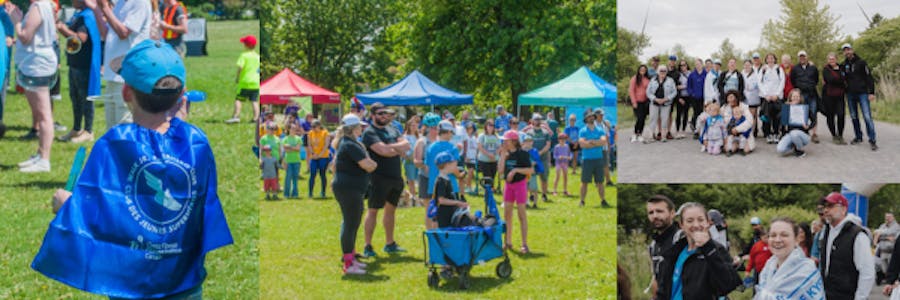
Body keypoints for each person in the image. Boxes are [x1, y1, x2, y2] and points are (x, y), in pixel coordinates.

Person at [35, 40, 232, 298]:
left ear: (126, 92)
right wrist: (179, 125)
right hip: (183, 281)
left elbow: (98, 213)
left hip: (128, 283)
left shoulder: (114, 144)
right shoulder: (196, 143)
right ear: (182, 93)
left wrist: (66, 205)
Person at [655, 202, 742, 300]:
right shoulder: (674, 252)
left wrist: (708, 247)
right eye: (690, 221)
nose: (696, 225)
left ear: (708, 223)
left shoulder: (716, 250)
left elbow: (729, 284)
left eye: (701, 220)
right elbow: (663, 291)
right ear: (681, 225)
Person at [87, 0, 152, 130]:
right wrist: (96, 9)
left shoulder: (140, 2)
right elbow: (107, 34)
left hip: (127, 76)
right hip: (113, 74)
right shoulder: (121, 3)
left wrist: (105, 7)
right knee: (112, 128)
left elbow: (123, 33)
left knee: (125, 127)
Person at [12, 0, 57, 172]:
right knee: (39, 114)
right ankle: (40, 154)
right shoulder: (41, 6)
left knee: (44, 115)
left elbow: (24, 37)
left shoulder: (39, 6)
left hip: (38, 65)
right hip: (35, 63)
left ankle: (44, 160)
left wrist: (16, 21)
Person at [361, 102, 410, 258]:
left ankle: (390, 243)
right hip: (378, 178)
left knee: (391, 211)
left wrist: (391, 147)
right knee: (373, 211)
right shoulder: (369, 132)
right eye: (380, 114)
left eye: (386, 113)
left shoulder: (393, 128)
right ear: (373, 115)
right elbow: (383, 151)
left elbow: (407, 145)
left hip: (396, 176)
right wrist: (396, 148)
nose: (384, 116)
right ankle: (367, 246)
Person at [332, 114, 376, 275]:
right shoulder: (350, 145)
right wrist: (373, 163)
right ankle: (349, 264)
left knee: (350, 223)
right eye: (359, 126)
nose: (361, 129)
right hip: (350, 189)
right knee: (351, 224)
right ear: (353, 128)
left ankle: (351, 259)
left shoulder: (349, 143)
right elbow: (368, 165)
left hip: (350, 188)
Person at [56, 0, 101, 144]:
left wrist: (62, 28)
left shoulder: (87, 16)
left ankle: (88, 131)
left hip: (84, 65)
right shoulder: (79, 14)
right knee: (75, 97)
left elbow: (80, 39)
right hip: (75, 63)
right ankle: (76, 128)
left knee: (85, 98)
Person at [819, 192, 875, 299]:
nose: (826, 210)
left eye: (831, 206)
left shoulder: (857, 235)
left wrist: (860, 297)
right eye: (825, 207)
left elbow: (867, 272)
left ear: (843, 209)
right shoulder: (826, 231)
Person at [755, 217, 825, 299]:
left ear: (796, 240)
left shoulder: (807, 270)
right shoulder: (768, 266)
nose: (777, 240)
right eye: (773, 235)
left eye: (784, 235)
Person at [497, 130, 533, 253]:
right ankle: (507, 241)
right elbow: (501, 171)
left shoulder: (522, 154)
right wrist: (502, 155)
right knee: (507, 214)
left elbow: (530, 170)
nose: (503, 142)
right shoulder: (506, 154)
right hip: (508, 185)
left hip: (520, 185)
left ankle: (524, 244)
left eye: (505, 140)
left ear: (513, 141)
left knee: (521, 214)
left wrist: (516, 170)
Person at [841, 43, 878, 151]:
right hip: (850, 94)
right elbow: (841, 77)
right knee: (854, 116)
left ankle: (872, 139)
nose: (847, 52)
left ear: (852, 50)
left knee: (867, 116)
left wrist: (871, 92)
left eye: (848, 49)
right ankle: (858, 137)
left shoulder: (861, 62)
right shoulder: (844, 65)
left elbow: (869, 78)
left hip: (862, 93)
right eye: (845, 50)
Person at [646, 195, 680, 297]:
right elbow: (656, 278)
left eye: (659, 211)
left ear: (672, 213)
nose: (655, 216)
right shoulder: (653, 245)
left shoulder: (681, 238)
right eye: (651, 212)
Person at [225, 35, 260, 124]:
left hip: (245, 82)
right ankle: (256, 118)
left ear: (246, 45)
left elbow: (240, 67)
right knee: (254, 101)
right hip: (256, 83)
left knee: (239, 99)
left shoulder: (244, 55)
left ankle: (236, 116)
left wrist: (237, 77)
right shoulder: (257, 56)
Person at [433, 152, 473, 228]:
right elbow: (441, 200)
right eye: (454, 164)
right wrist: (457, 203)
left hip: (449, 213)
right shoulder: (441, 181)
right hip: (444, 216)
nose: (455, 166)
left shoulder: (447, 179)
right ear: (447, 165)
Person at [414, 113, 441, 228]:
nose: (438, 130)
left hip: (440, 178)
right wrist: (425, 166)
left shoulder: (441, 141)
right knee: (429, 208)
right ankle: (431, 234)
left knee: (440, 207)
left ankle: (439, 232)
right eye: (435, 127)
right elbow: (416, 161)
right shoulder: (422, 142)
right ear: (429, 128)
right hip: (426, 178)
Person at [578, 110, 609, 208]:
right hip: (587, 159)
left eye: (592, 116)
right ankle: (582, 201)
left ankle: (603, 200)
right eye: (589, 116)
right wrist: (596, 143)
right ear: (586, 119)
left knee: (600, 181)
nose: (591, 118)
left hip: (598, 159)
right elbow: (582, 144)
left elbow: (604, 142)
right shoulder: (582, 131)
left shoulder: (600, 129)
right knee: (584, 182)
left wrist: (591, 142)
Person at [791, 50, 820, 144]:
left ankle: (814, 134)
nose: (802, 58)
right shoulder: (795, 68)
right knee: (802, 114)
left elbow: (816, 79)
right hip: (801, 95)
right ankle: (804, 131)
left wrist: (810, 86)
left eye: (803, 56)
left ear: (807, 57)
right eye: (800, 57)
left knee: (813, 113)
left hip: (812, 94)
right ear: (798, 58)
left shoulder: (813, 68)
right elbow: (793, 80)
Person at [524, 113, 551, 202]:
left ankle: (544, 194)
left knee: (544, 177)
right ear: (532, 121)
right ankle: (531, 195)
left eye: (539, 119)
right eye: (536, 119)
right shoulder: (529, 133)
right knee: (530, 177)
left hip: (543, 158)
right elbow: (525, 144)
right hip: (531, 159)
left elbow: (548, 145)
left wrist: (540, 152)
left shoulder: (545, 132)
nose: (538, 121)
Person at [759, 53, 785, 144]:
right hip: (766, 98)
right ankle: (768, 134)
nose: (770, 59)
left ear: (775, 59)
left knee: (777, 117)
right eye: (768, 58)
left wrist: (777, 94)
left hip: (776, 97)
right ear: (766, 60)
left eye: (772, 58)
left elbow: (782, 82)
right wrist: (766, 94)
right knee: (767, 116)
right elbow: (760, 83)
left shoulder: (779, 69)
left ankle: (776, 133)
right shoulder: (763, 69)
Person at [776, 89, 812, 157]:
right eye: (794, 96)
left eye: (797, 96)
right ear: (790, 98)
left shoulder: (804, 107)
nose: (795, 98)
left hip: (803, 135)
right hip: (790, 134)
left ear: (800, 97)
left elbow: (814, 120)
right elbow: (778, 118)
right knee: (780, 149)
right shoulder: (787, 107)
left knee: (794, 133)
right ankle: (793, 147)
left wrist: (808, 127)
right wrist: (786, 108)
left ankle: (799, 150)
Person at [645, 65, 676, 142]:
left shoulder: (670, 80)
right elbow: (648, 92)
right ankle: (651, 136)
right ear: (658, 72)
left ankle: (663, 136)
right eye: (661, 71)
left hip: (666, 103)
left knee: (665, 119)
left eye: (664, 71)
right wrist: (655, 99)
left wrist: (667, 98)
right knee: (653, 119)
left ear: (666, 72)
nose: (662, 72)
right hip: (654, 103)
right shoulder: (653, 80)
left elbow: (674, 92)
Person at [821, 52, 847, 145]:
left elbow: (845, 79)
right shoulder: (825, 69)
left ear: (836, 59)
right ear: (827, 60)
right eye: (830, 59)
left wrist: (840, 80)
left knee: (841, 115)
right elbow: (830, 80)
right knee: (830, 116)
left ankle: (840, 135)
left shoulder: (842, 68)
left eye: (833, 59)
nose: (831, 60)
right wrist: (841, 80)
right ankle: (834, 135)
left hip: (840, 96)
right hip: (829, 96)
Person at [307, 120, 330, 199]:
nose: (313, 129)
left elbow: (326, 145)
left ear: (319, 126)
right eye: (312, 127)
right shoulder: (310, 133)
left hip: (323, 156)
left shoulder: (325, 133)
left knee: (322, 174)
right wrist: (313, 153)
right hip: (314, 157)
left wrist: (320, 155)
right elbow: (309, 144)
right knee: (312, 174)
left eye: (314, 127)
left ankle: (323, 192)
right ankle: (310, 193)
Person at [629, 64, 650, 143]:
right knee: (639, 118)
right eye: (641, 69)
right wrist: (634, 102)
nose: (643, 71)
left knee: (643, 119)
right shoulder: (634, 78)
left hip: (645, 102)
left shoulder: (647, 79)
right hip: (637, 102)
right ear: (638, 70)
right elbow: (631, 91)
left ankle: (640, 134)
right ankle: (634, 134)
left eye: (644, 70)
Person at [477, 118, 500, 188]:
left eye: (492, 125)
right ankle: (488, 193)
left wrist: (495, 154)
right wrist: (488, 154)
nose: (491, 127)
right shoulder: (482, 136)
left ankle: (490, 192)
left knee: (492, 177)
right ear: (486, 126)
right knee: (487, 177)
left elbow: (500, 147)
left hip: (494, 160)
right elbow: (480, 147)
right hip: (484, 160)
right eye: (489, 125)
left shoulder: (496, 136)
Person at [281, 123, 302, 199]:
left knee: (295, 178)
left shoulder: (298, 138)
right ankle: (286, 194)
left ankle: (295, 194)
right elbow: (286, 150)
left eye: (294, 129)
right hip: (288, 161)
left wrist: (290, 147)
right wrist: (293, 148)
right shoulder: (285, 139)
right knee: (288, 177)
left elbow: (298, 149)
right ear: (288, 129)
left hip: (297, 161)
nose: (293, 130)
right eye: (292, 128)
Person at [687, 59, 707, 138]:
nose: (697, 65)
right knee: (696, 113)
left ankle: (703, 129)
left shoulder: (706, 74)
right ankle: (696, 131)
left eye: (699, 64)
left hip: (703, 97)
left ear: (702, 64)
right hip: (694, 98)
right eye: (696, 64)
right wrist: (692, 93)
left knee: (703, 113)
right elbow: (689, 86)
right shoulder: (692, 74)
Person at [402, 119, 420, 205]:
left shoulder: (419, 136)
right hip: (409, 160)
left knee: (419, 178)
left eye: (415, 125)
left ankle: (420, 196)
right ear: (408, 126)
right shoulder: (405, 136)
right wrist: (407, 156)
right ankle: (413, 197)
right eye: (412, 125)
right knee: (411, 179)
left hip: (418, 160)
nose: (414, 127)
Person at [742, 59, 761, 138]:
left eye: (748, 65)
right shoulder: (742, 73)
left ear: (751, 65)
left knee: (753, 115)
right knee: (746, 115)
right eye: (745, 65)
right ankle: (747, 130)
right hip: (745, 97)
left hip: (754, 97)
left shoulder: (756, 73)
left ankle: (753, 131)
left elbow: (758, 83)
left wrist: (752, 87)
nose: (747, 66)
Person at [673, 60, 690, 139]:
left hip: (688, 97)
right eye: (681, 65)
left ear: (687, 65)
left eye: (684, 65)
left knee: (686, 114)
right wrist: (679, 98)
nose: (683, 67)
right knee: (678, 114)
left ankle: (683, 130)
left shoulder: (690, 74)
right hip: (680, 96)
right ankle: (677, 130)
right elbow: (675, 86)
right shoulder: (678, 74)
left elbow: (691, 85)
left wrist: (684, 86)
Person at [462, 122, 478, 195]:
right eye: (468, 128)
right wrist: (465, 156)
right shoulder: (465, 137)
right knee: (470, 172)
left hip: (474, 157)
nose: (470, 130)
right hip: (468, 157)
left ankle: (467, 184)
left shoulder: (474, 137)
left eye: (471, 128)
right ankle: (468, 186)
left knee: (471, 174)